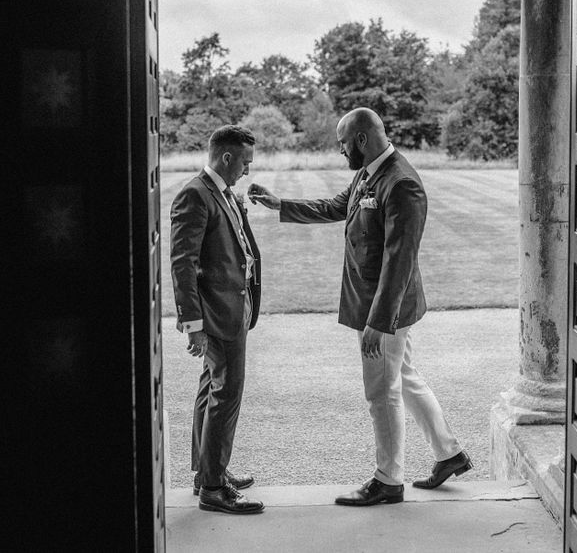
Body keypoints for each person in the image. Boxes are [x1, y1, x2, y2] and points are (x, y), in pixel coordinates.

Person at [249, 107, 472, 506]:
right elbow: (336, 207)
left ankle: (388, 480)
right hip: (376, 306)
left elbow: (398, 259)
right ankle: (450, 454)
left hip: (383, 309)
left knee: (381, 392)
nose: (340, 151)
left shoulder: (401, 183)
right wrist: (280, 204)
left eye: (342, 143)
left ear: (362, 140)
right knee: (404, 377)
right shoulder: (369, 172)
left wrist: (379, 321)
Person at [170, 125, 265, 515]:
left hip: (234, 307)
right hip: (217, 313)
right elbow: (182, 264)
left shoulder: (220, 192)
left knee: (212, 390)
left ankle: (207, 473)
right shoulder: (194, 194)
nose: (247, 169)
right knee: (226, 396)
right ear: (227, 157)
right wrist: (193, 324)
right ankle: (213, 488)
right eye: (245, 161)